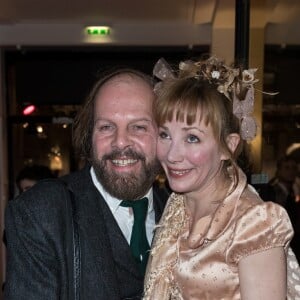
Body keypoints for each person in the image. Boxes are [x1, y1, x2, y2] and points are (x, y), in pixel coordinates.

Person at [4, 68, 169, 299]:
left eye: (139, 127)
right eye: (106, 127)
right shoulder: (41, 213)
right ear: (89, 136)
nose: (120, 142)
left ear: (165, 136)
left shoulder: (184, 212)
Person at [143, 56, 300, 299]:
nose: (172, 155)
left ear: (228, 146)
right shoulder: (177, 204)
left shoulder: (254, 221)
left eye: (192, 138)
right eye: (165, 135)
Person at [269, 155, 300, 261]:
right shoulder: (272, 191)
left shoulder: (293, 191)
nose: (291, 171)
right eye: (287, 168)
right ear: (279, 170)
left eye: (294, 168)